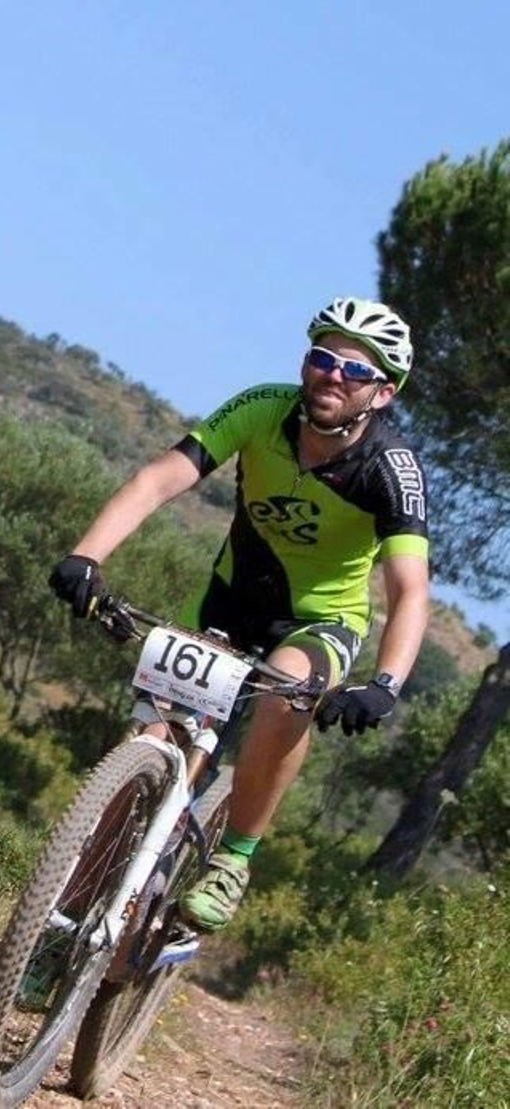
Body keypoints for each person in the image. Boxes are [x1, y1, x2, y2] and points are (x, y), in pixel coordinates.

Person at [49, 297, 430, 931]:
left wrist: (385, 684)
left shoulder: (390, 467)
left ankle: (234, 857)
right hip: (228, 602)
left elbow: (410, 589)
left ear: (382, 393)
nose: (332, 375)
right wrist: (85, 557)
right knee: (149, 746)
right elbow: (158, 480)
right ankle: (62, 931)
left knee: (288, 695)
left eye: (355, 371)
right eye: (322, 358)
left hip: (317, 625)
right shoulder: (261, 409)